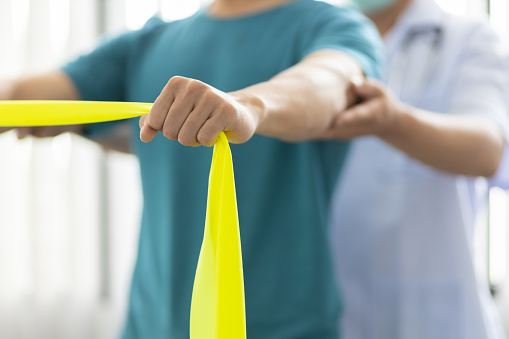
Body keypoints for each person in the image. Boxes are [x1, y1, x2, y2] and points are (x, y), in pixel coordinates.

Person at [0, 0, 383, 338]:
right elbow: (25, 94)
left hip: (284, 327)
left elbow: (330, 84)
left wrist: (248, 106)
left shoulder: (332, 26)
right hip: (148, 327)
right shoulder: (146, 43)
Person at [322, 0, 509, 338]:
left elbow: (487, 150)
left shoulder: (467, 37)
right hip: (336, 308)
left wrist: (393, 122)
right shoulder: (320, 38)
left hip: (437, 316)